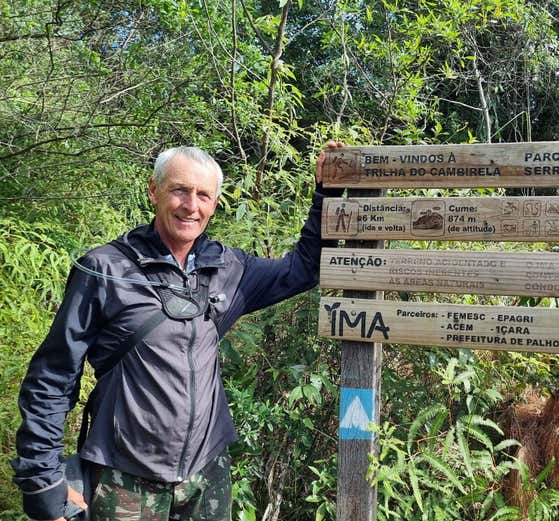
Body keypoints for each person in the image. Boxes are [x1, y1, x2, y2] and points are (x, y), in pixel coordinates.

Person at [11, 143, 345, 521]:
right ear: (154, 191)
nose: (191, 205)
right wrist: (43, 480)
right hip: (125, 479)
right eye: (179, 190)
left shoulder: (227, 268)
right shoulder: (105, 269)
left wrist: (326, 192)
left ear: (215, 203)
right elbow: (53, 375)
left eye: (203, 195)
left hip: (206, 477)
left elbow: (303, 269)